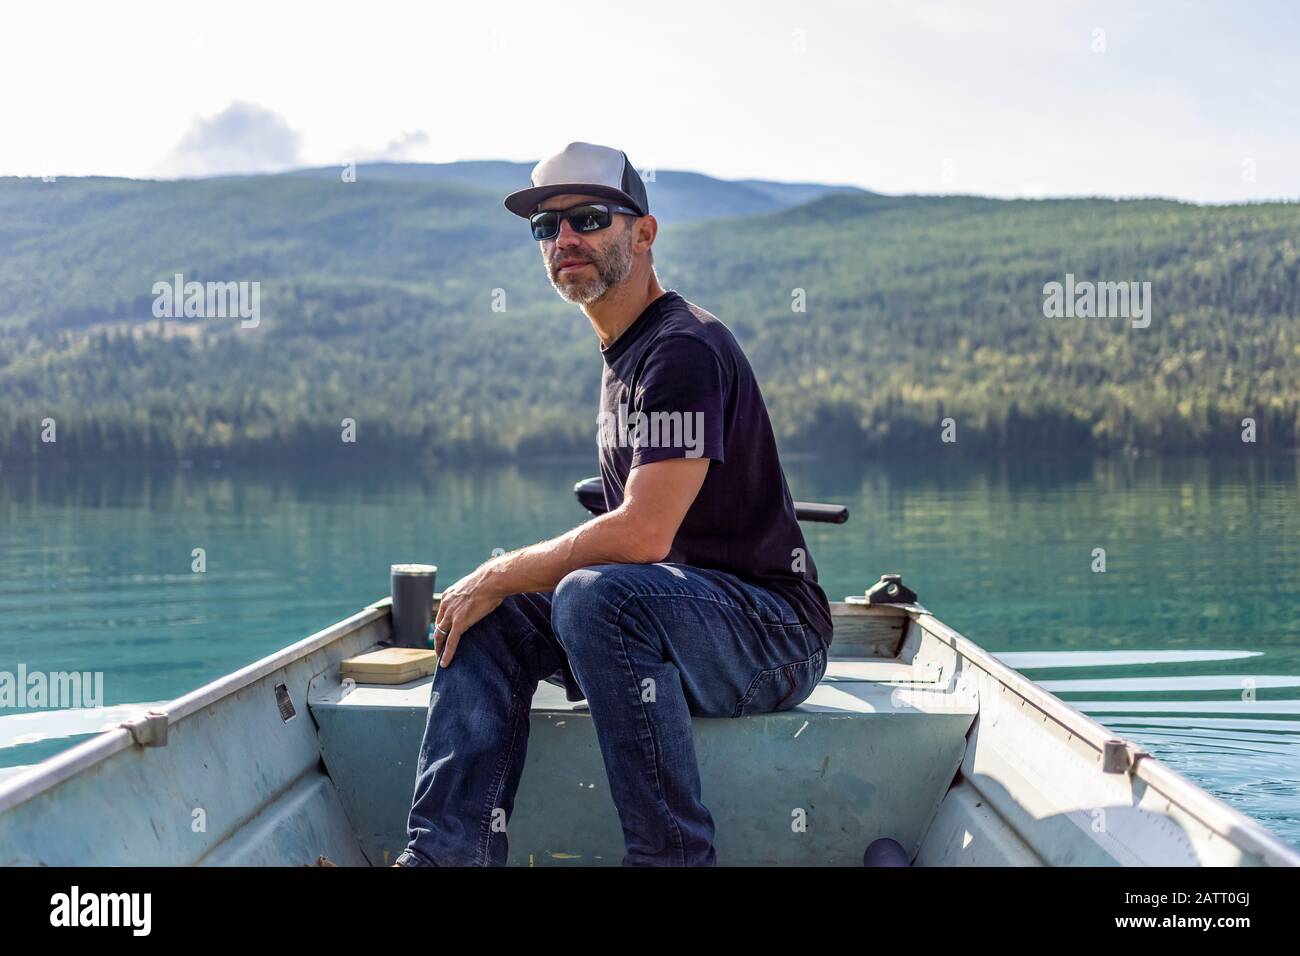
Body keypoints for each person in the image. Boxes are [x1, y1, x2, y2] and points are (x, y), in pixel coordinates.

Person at [395, 141, 833, 867]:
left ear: (644, 233)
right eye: (546, 227)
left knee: (595, 597)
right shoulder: (623, 353)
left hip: (774, 634)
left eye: (589, 218)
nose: (564, 238)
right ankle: (447, 858)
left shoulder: (681, 348)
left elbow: (642, 535)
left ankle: (671, 859)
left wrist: (502, 568)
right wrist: (494, 587)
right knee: (483, 616)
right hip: (683, 616)